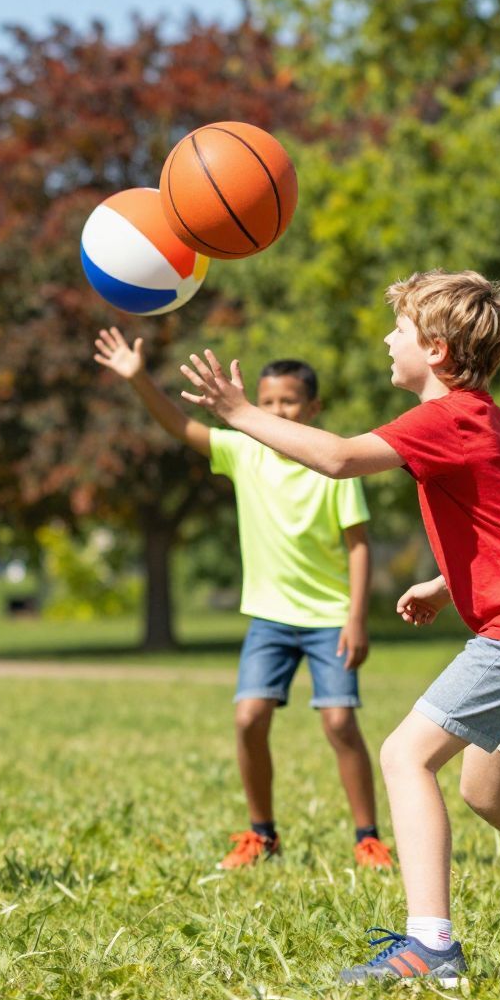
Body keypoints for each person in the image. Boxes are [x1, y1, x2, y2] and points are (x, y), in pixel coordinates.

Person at [180, 270, 500, 984]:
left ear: (435, 350)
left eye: (398, 331)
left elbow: (337, 459)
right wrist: (444, 582)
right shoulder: (478, 415)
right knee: (490, 792)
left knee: (405, 756)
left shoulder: (448, 417)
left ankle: (430, 947)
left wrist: (242, 414)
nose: (385, 339)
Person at [93, 327, 389, 871]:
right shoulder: (243, 451)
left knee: (340, 725)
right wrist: (138, 380)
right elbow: (180, 425)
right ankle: (262, 835)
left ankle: (368, 837)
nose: (278, 410)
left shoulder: (335, 462)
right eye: (268, 401)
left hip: (328, 620)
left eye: (290, 402)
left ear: (313, 406)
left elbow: (359, 546)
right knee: (249, 717)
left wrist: (356, 620)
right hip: (269, 618)